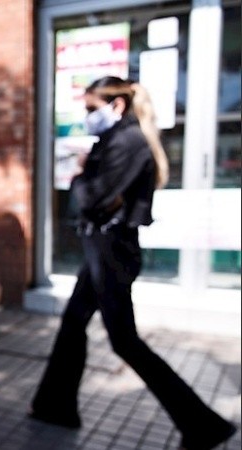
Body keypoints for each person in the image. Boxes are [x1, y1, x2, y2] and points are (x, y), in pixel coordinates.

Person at [29, 76, 237, 450]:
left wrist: (79, 175)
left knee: (125, 341)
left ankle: (203, 425)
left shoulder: (128, 142)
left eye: (92, 108)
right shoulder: (116, 139)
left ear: (117, 105)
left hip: (112, 252)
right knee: (74, 322)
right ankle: (54, 406)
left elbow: (93, 197)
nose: (87, 116)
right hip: (101, 249)